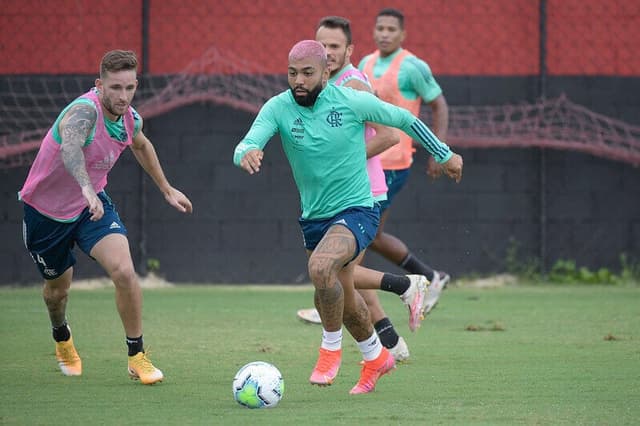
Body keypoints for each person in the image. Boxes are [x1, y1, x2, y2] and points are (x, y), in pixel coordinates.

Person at [233, 40, 462, 394]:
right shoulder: (278, 107)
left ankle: (329, 350)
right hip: (314, 217)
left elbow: (404, 119)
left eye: (307, 73)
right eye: (293, 73)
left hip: (358, 208)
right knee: (341, 293)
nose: (299, 80)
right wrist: (247, 152)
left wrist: (444, 154)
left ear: (326, 73)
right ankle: (377, 358)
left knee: (322, 269)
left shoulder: (350, 100)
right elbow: (247, 142)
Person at [19, 50, 193, 385]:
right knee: (57, 293)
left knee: (125, 272)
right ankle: (61, 336)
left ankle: (136, 355)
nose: (123, 96)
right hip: (46, 215)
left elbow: (141, 146)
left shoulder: (130, 118)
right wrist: (84, 187)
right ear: (99, 85)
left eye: (129, 88)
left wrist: (167, 189)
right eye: (115, 87)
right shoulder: (84, 111)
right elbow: (70, 148)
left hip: (91, 208)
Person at [296, 16, 431, 364]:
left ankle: (403, 292)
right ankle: (391, 342)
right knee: (341, 277)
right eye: (321, 46)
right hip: (337, 194)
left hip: (362, 193)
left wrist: (342, 160)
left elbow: (388, 134)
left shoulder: (353, 85)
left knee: (338, 275)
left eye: (334, 47)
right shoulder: (319, 85)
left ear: (349, 50)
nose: (326, 53)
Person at [359, 8, 452, 313]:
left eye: (391, 29)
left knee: (360, 231)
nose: (384, 33)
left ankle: (335, 298)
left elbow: (438, 105)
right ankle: (429, 276)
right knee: (371, 236)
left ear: (402, 34)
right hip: (367, 159)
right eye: (380, 28)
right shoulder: (365, 63)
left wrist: (440, 150)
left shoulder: (412, 67)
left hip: (393, 163)